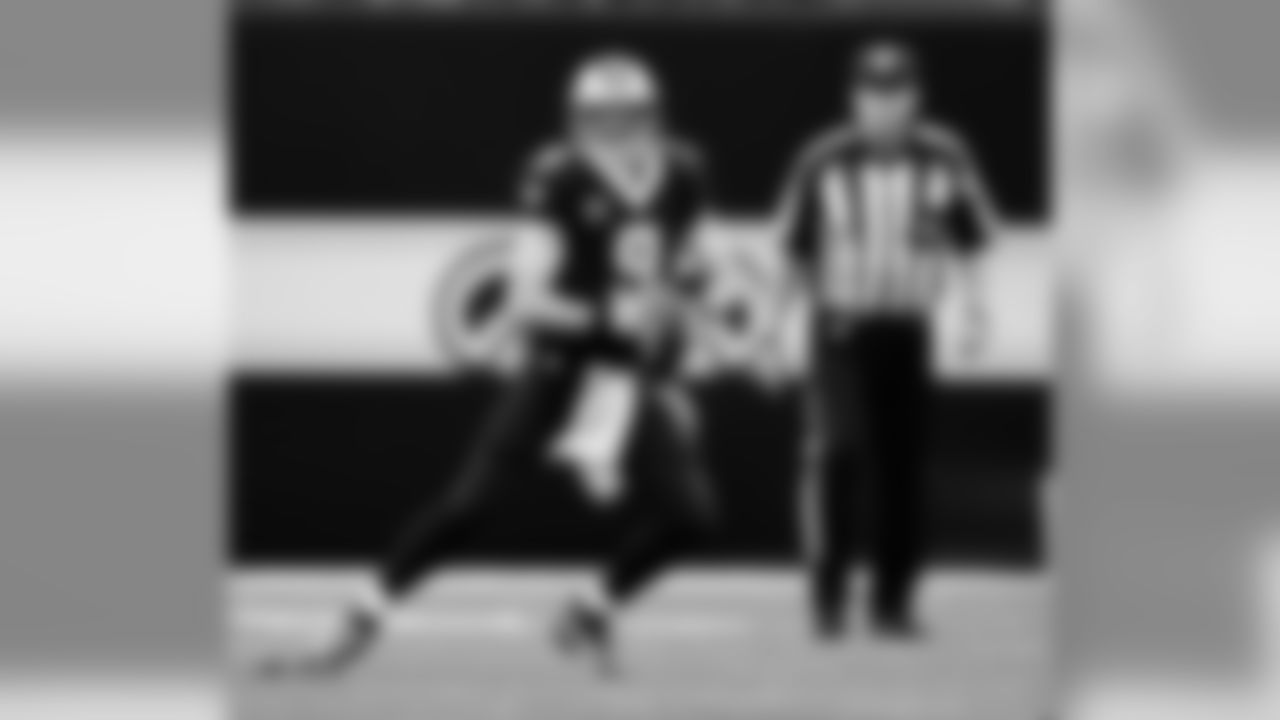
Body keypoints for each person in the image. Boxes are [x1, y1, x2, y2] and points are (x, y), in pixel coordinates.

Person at [260, 50, 718, 679]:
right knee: (468, 508)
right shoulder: (561, 179)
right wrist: (607, 314)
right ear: (580, 121)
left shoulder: (684, 173)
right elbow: (527, 299)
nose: (615, 132)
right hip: (559, 371)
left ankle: (589, 613)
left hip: (622, 378)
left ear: (652, 117)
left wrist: (690, 292)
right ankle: (358, 620)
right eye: (602, 118)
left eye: (627, 117)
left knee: (693, 517)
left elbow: (688, 260)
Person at [775, 40, 997, 641]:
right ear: (854, 98)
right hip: (841, 329)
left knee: (903, 469)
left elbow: (972, 241)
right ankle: (828, 597)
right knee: (837, 453)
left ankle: (892, 603)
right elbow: (795, 250)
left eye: (895, 92)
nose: (884, 105)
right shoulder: (823, 161)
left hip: (907, 328)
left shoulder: (944, 158)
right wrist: (774, 323)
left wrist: (976, 311)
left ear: (916, 97)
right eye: (873, 93)